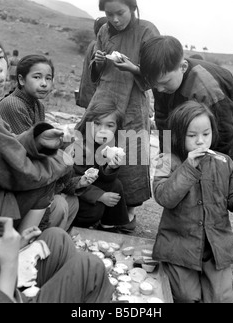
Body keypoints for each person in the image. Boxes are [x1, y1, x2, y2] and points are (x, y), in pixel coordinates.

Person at [0, 133, 114, 303]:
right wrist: (8, 263)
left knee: (56, 239)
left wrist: (14, 247)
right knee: (89, 267)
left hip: (0, 284)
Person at [152, 101, 233, 303]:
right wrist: (188, 167)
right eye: (192, 135)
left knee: (223, 298)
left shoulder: (224, 162)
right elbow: (164, 197)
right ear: (178, 135)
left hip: (214, 245)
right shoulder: (166, 160)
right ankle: (174, 269)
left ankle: (213, 277)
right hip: (180, 242)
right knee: (186, 297)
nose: (200, 141)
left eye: (206, 134)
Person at [0, 26, 70, 232]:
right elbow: (22, 171)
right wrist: (63, 160)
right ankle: (20, 248)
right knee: (44, 184)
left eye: (0, 57)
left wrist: (37, 140)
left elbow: (5, 143)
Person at [85, 0, 160, 222]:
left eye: (120, 13)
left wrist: (133, 68)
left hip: (133, 105)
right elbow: (96, 74)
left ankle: (128, 214)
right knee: (97, 150)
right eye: (109, 14)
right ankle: (96, 206)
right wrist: (97, 62)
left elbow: (154, 75)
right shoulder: (104, 31)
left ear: (133, 8)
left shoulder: (147, 30)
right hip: (105, 100)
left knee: (131, 155)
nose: (115, 20)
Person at [0, 54, 84, 232]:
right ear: (21, 79)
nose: (44, 83)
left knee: (73, 202)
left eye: (48, 78)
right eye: (37, 77)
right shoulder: (13, 105)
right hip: (13, 186)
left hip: (33, 179)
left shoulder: (37, 105)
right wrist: (63, 155)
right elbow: (26, 158)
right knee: (60, 205)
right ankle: (31, 243)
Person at [139, 35, 233, 161]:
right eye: (154, 85)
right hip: (192, 125)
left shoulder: (205, 88)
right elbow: (163, 120)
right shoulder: (161, 81)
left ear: (183, 68)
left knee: (216, 170)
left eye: (164, 83)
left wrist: (213, 165)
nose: (159, 90)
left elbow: (225, 134)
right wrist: (167, 155)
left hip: (225, 129)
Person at [72, 101, 133, 233]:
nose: (102, 130)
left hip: (91, 186)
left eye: (110, 125)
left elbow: (104, 178)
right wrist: (100, 196)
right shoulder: (80, 146)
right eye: (97, 124)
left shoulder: (109, 145)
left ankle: (109, 225)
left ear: (117, 128)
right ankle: (76, 227)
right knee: (95, 210)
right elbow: (74, 180)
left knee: (116, 185)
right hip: (75, 192)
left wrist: (110, 168)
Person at [76, 17, 108, 109]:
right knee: (93, 121)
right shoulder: (98, 47)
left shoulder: (92, 44)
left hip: (89, 92)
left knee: (90, 120)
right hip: (94, 94)